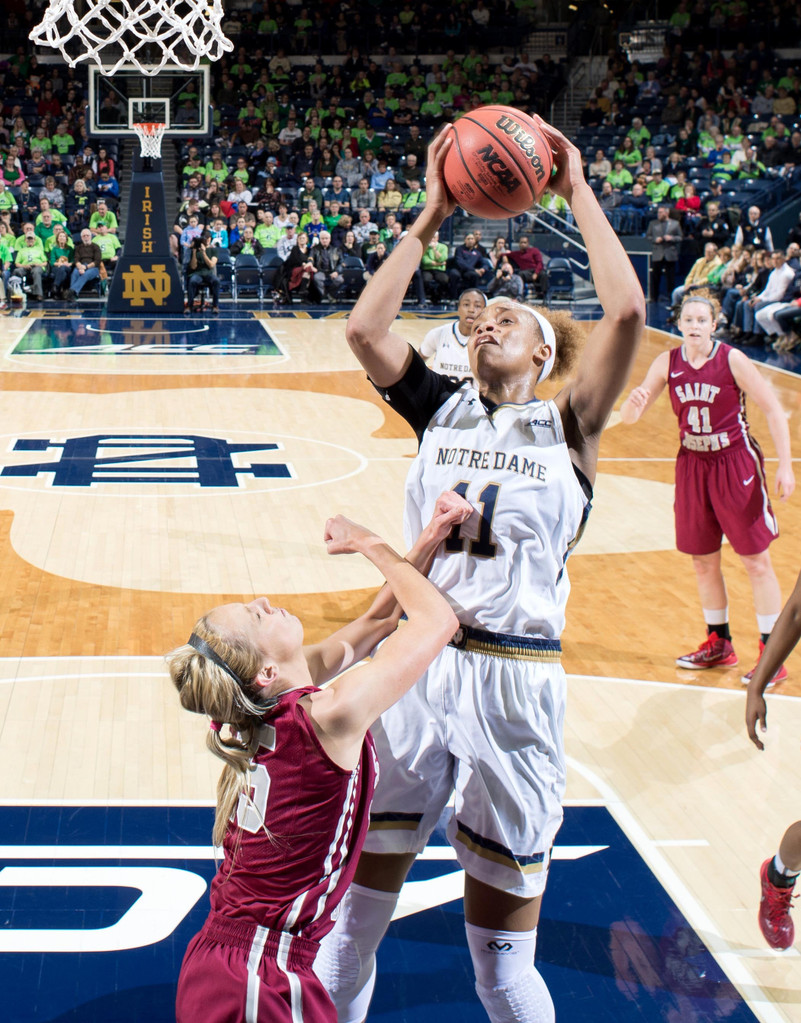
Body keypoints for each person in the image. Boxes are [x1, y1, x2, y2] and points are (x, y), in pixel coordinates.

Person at [314, 119, 645, 1023]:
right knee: (350, 929)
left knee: (499, 965)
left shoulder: (569, 425)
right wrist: (427, 214)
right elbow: (362, 325)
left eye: (512, 318)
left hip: (513, 677)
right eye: (483, 316)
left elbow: (623, 315)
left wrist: (575, 186)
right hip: (415, 671)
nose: (490, 319)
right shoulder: (439, 407)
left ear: (542, 352)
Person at [169, 498, 465, 1023]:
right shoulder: (328, 715)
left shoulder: (252, 710)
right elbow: (436, 620)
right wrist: (366, 541)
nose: (264, 600)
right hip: (261, 976)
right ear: (264, 670)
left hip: (224, 963)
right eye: (256, 615)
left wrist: (429, 538)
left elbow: (379, 619)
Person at [621, 290, 795, 682]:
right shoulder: (667, 362)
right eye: (689, 320)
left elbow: (772, 409)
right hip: (692, 464)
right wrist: (632, 404)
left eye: (703, 320)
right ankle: (720, 643)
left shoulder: (732, 359)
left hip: (734, 463)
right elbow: (631, 418)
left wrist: (786, 466)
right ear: (678, 324)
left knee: (756, 561)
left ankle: (772, 653)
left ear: (714, 325)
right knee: (703, 561)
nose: (695, 326)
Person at [419, 287, 486, 384]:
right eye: (466, 304)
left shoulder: (488, 340)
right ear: (458, 308)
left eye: (477, 306)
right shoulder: (438, 334)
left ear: (484, 312)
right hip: (441, 398)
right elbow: (416, 363)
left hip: (474, 399)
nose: (471, 310)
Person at [185, 231, 220, 313]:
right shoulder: (196, 250)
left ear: (210, 239)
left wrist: (204, 253)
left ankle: (215, 305)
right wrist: (194, 252)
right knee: (192, 281)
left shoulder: (213, 251)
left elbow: (211, 265)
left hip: (208, 273)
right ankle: (189, 306)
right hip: (197, 273)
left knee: (216, 281)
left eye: (207, 239)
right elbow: (193, 266)